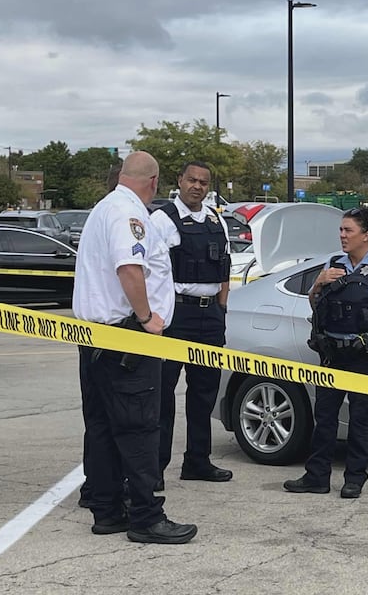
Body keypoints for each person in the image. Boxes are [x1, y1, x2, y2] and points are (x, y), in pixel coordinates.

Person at [73, 151, 198, 544]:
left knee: (102, 428)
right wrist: (146, 317)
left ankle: (108, 510)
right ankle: (146, 517)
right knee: (140, 429)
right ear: (154, 182)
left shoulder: (104, 208)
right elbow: (130, 268)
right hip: (126, 339)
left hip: (96, 338)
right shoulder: (129, 214)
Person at [284, 207, 368, 499]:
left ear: (366, 235)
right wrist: (318, 283)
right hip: (332, 355)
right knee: (324, 418)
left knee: (360, 421)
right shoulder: (333, 264)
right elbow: (315, 304)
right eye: (341, 230)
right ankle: (316, 477)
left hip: (364, 357)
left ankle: (354, 479)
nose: (342, 235)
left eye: (348, 230)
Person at [151, 161, 232, 489]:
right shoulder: (162, 220)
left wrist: (221, 307)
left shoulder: (215, 219)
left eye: (203, 182)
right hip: (176, 314)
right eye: (192, 180)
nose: (197, 186)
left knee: (204, 392)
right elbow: (150, 270)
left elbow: (224, 266)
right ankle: (154, 470)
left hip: (209, 315)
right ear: (180, 181)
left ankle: (198, 461)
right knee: (163, 394)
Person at [78, 160, 124, 509]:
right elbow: (130, 272)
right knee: (115, 420)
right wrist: (147, 317)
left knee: (97, 419)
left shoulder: (98, 215)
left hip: (91, 331)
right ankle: (106, 496)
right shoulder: (119, 217)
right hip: (112, 333)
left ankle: (94, 488)